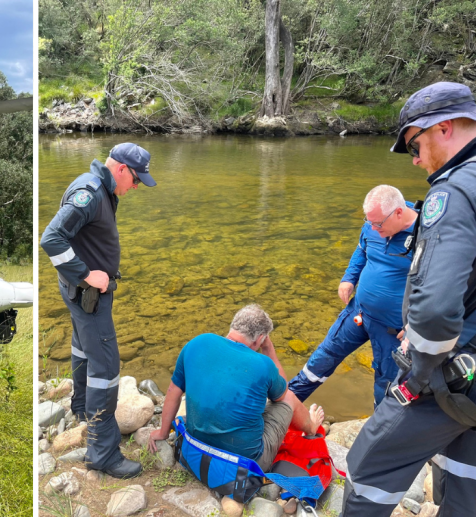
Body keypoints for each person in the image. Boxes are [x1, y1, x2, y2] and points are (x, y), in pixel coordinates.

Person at [342, 82, 476, 516]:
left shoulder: (452, 192)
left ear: (444, 128)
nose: (415, 160)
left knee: (365, 468)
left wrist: (418, 373)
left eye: (414, 145)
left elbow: (436, 309)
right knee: (465, 473)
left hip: (451, 375)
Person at [39, 142, 157, 479]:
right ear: (120, 169)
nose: (136, 187)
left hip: (80, 293)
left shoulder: (100, 189)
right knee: (106, 366)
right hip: (86, 292)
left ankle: (79, 409)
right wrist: (87, 273)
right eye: (136, 180)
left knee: (83, 347)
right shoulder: (90, 193)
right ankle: (103, 454)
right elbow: (51, 238)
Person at [148, 305, 323, 473]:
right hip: (245, 462)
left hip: (197, 446)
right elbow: (283, 393)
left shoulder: (198, 342)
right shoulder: (263, 364)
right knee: (289, 398)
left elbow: (172, 391)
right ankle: (311, 428)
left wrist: (163, 432)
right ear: (260, 339)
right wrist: (268, 348)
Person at [288, 185, 417, 406]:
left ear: (398, 212)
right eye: (369, 222)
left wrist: (418, 323)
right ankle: (285, 404)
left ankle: (380, 431)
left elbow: (443, 286)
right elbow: (361, 249)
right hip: (359, 312)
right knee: (323, 357)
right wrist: (349, 278)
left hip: (394, 328)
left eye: (378, 224)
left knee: (387, 383)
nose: (373, 228)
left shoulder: (427, 234)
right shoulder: (373, 224)